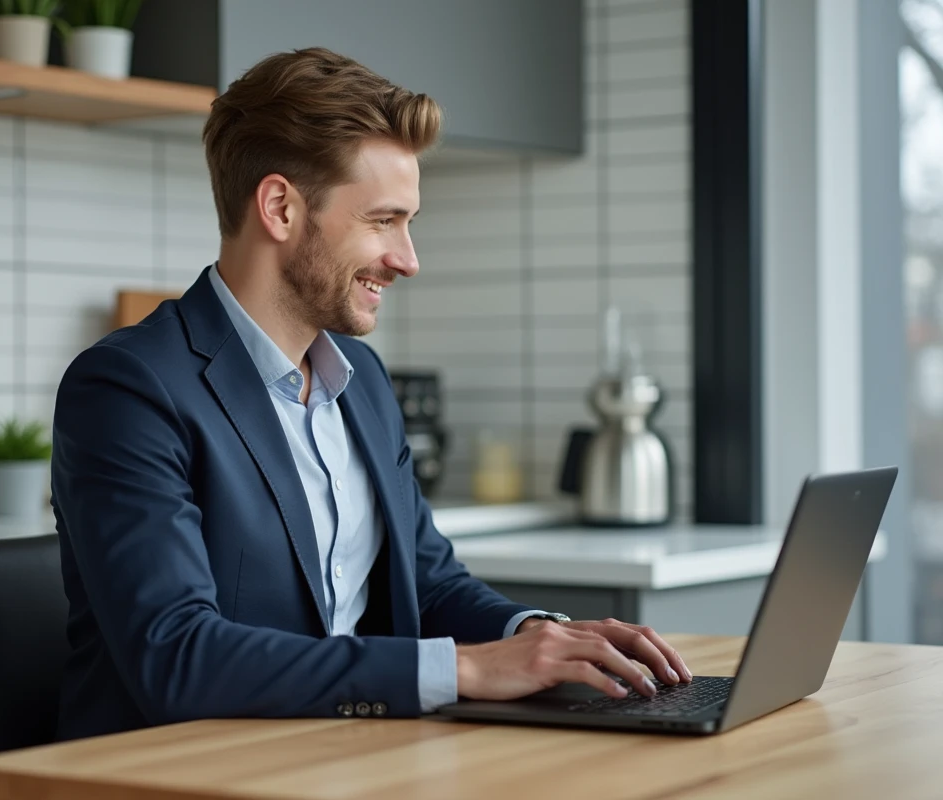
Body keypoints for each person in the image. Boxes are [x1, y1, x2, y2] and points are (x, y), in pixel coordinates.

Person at [49, 46, 692, 741]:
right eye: (383, 221)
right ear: (280, 207)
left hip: (337, 759)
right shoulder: (129, 388)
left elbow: (430, 583)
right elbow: (177, 658)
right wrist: (467, 671)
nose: (408, 259)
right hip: (175, 774)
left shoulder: (362, 382)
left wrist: (537, 636)